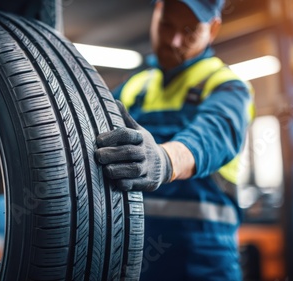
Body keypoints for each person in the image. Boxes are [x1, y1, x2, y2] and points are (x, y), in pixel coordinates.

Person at [94, 0, 255, 280]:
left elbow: (214, 134)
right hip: (136, 256)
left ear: (213, 29)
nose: (174, 40)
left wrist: (165, 160)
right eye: (167, 25)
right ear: (157, 11)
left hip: (205, 260)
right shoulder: (134, 88)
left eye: (189, 32)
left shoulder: (227, 87)